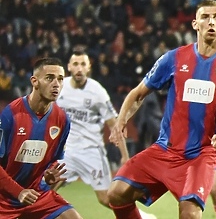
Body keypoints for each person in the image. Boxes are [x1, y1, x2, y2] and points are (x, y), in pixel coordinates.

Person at [107, 0, 216, 219]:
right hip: (165, 150)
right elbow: (138, 94)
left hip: (200, 154)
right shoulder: (173, 58)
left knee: (190, 215)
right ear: (195, 24)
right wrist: (121, 120)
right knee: (116, 193)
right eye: (205, 17)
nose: (211, 22)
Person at [56, 50, 152, 216]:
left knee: (106, 199)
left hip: (91, 152)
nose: (79, 68)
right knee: (44, 190)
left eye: (83, 64)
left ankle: (143, 216)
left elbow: (114, 124)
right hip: (67, 152)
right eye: (76, 64)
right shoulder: (60, 88)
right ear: (69, 67)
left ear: (89, 67)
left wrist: (124, 156)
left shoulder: (97, 91)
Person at [0, 58, 82, 219]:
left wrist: (48, 176)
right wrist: (19, 192)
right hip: (4, 198)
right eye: (49, 78)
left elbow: (53, 160)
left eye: (60, 79)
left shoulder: (62, 120)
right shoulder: (10, 115)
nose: (56, 84)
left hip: (36, 195)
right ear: (34, 81)